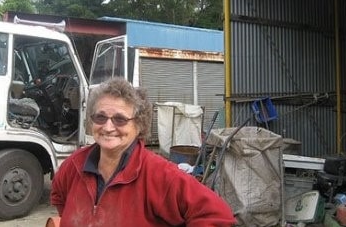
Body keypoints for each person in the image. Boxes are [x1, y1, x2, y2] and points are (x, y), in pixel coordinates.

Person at [50, 77, 236, 227]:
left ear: (139, 125)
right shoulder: (73, 165)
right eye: (100, 117)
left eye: (120, 119)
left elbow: (217, 215)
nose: (108, 127)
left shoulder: (161, 175)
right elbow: (58, 196)